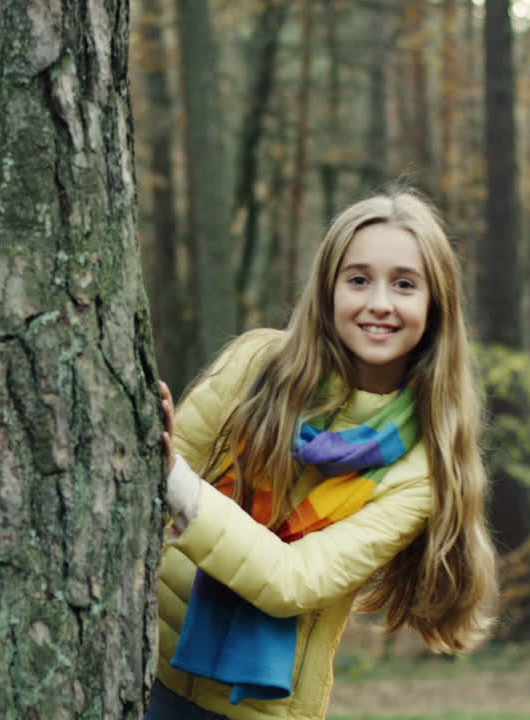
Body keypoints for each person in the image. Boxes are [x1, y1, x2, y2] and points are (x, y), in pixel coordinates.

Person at [151, 188, 498, 720]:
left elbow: (293, 580)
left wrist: (174, 480)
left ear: (434, 306)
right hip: (145, 667)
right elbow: (145, 499)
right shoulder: (255, 365)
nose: (379, 302)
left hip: (261, 710)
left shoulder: (418, 473)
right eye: (358, 279)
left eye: (404, 284)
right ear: (329, 289)